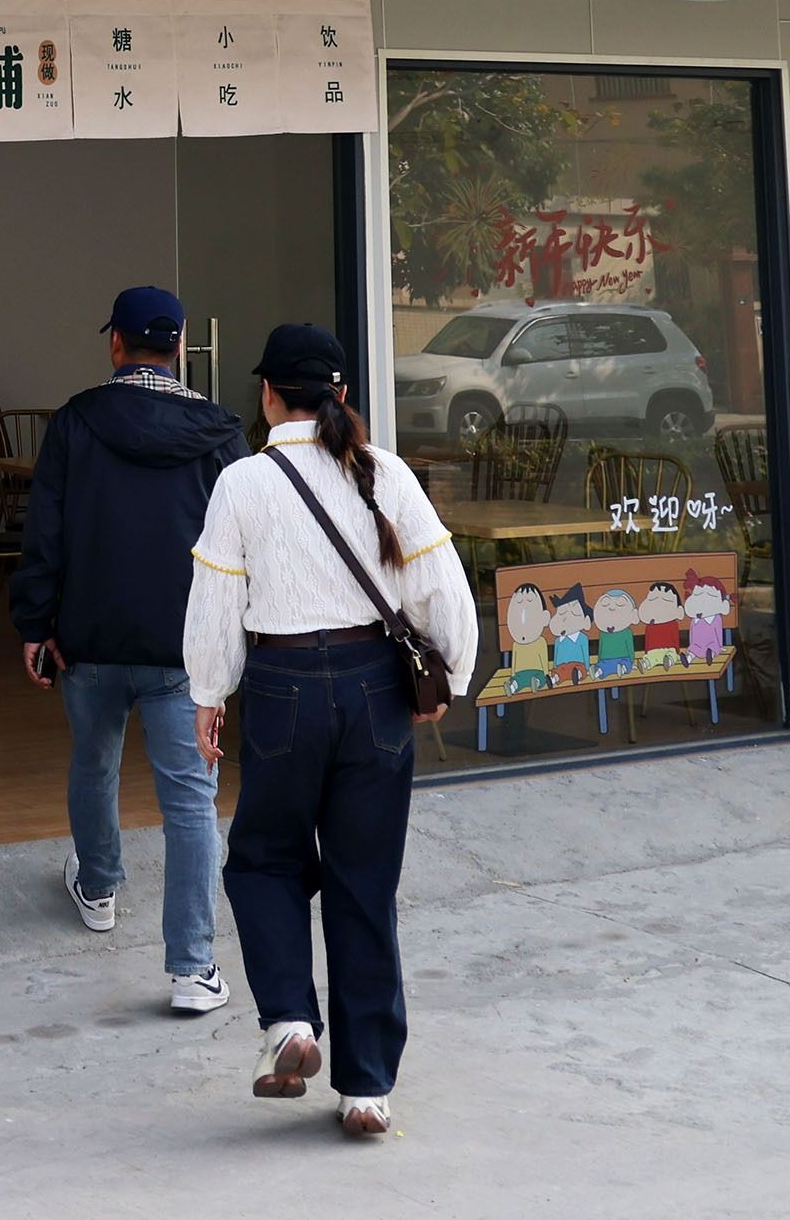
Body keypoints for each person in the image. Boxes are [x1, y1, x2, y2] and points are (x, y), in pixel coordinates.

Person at [185, 322, 478, 1140]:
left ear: (268, 395)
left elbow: (215, 604)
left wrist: (208, 693)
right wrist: (449, 675)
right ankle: (366, 1089)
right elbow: (442, 588)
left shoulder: (242, 481)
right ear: (341, 394)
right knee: (364, 883)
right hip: (374, 688)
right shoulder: (385, 472)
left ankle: (289, 1020)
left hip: (281, 687)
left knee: (264, 860)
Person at [8, 284, 247, 1015]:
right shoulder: (219, 434)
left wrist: (34, 623)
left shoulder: (75, 422)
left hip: (89, 640)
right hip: (183, 650)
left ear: (116, 343)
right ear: (179, 346)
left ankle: (99, 887)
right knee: (191, 801)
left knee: (94, 762)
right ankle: (193, 969)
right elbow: (244, 548)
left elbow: (44, 531)